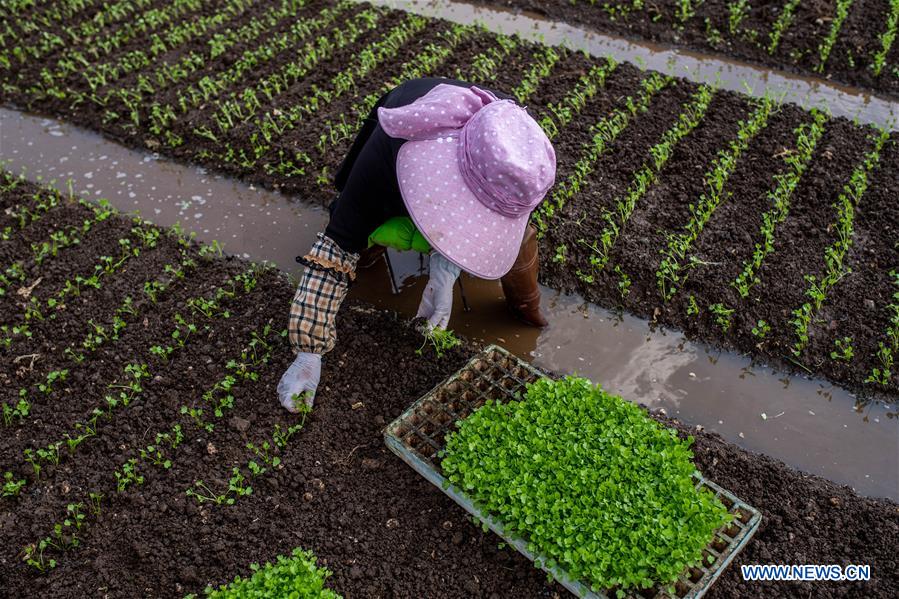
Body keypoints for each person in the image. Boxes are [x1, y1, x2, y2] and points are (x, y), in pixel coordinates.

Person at [277, 77, 556, 412]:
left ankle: (527, 309)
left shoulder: (524, 166)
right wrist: (308, 350)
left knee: (522, 243)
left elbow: (481, 221)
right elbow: (337, 245)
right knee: (358, 236)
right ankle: (372, 256)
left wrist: (446, 268)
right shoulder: (389, 149)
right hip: (396, 154)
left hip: (478, 162)